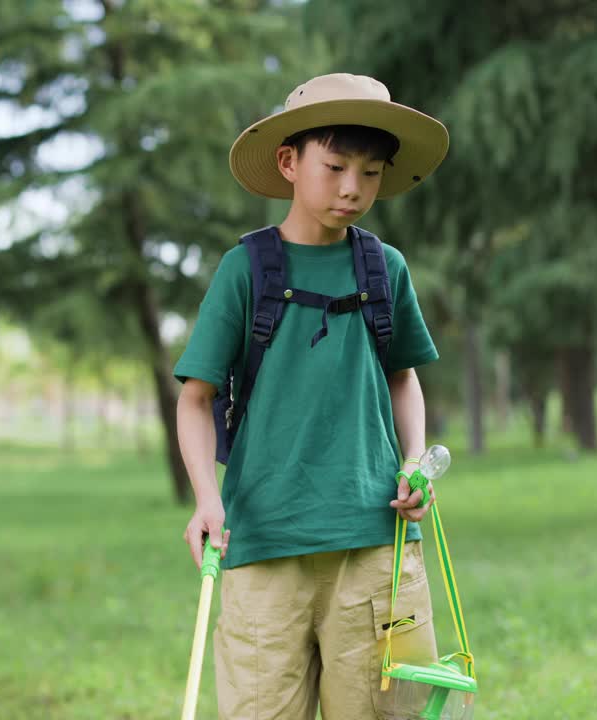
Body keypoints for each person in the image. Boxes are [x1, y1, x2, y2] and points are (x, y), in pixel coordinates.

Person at [173, 72, 450, 719]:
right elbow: (194, 398)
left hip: (377, 547)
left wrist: (412, 458)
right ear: (289, 162)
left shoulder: (386, 269)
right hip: (264, 547)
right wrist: (206, 501)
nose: (354, 188)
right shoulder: (245, 270)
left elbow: (403, 376)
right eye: (335, 167)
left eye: (372, 172)